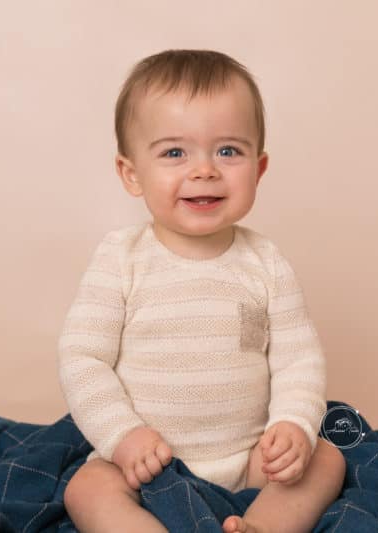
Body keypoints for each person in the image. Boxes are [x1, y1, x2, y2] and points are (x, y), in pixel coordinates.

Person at [58, 49, 345, 533]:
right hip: (145, 466)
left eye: (228, 151)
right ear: (132, 174)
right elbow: (82, 359)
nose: (205, 170)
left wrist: (292, 425)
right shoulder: (121, 259)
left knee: (328, 458)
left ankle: (265, 525)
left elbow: (298, 359)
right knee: (85, 490)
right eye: (175, 153)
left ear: (260, 167)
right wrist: (122, 437)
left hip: (250, 456)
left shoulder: (265, 262)